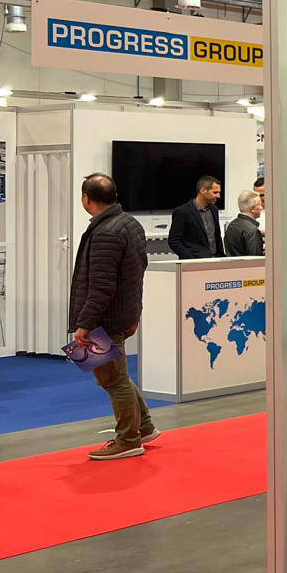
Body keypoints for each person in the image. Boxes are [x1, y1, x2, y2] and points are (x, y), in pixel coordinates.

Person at [69, 173, 156, 460]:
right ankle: (143, 427)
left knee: (112, 380)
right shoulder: (129, 224)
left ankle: (128, 439)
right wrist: (135, 313)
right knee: (118, 375)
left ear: (86, 199)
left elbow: (101, 287)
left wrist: (84, 325)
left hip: (103, 321)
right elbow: (136, 275)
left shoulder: (105, 232)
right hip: (123, 315)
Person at [167, 175, 224, 259]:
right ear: (203, 190)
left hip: (215, 260)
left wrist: (222, 257)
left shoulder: (214, 210)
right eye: (215, 192)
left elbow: (217, 236)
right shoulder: (182, 211)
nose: (218, 196)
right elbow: (173, 241)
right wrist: (191, 259)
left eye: (219, 192)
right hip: (194, 263)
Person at [224, 189, 265, 256]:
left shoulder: (231, 225)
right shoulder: (252, 230)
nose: (262, 208)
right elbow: (255, 257)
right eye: (260, 204)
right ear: (252, 209)